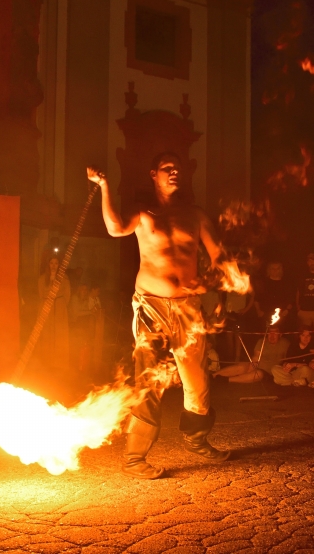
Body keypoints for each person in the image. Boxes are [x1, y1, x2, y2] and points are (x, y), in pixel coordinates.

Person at [87, 154, 230, 480]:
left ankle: (197, 439)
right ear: (154, 174)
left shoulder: (196, 215)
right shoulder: (143, 213)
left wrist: (214, 290)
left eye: (178, 168)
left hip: (189, 309)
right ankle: (135, 458)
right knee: (149, 378)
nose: (175, 171)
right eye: (168, 168)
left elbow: (219, 257)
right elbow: (115, 228)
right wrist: (104, 186)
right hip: (151, 307)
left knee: (198, 382)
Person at [213, 326, 289, 383]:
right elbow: (255, 358)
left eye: (275, 333)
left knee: (258, 374)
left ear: (280, 334)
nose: (272, 335)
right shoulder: (261, 341)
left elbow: (288, 359)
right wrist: (249, 369)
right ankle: (213, 375)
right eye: (270, 333)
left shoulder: (285, 344)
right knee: (242, 366)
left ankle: (226, 380)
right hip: (257, 366)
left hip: (269, 373)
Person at [38, 255, 70, 368]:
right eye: (51, 263)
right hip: (47, 307)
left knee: (60, 333)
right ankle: (47, 360)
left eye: (56, 263)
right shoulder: (42, 278)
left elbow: (67, 294)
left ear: (59, 265)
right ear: (48, 264)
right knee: (47, 333)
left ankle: (60, 361)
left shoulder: (64, 278)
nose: (53, 266)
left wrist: (60, 304)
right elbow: (41, 294)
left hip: (60, 308)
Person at [254, 261, 295, 330]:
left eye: (277, 269)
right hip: (265, 314)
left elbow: (291, 299)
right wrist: (258, 310)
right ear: (269, 270)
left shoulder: (286, 284)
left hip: (281, 315)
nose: (275, 271)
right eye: (273, 269)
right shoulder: (264, 283)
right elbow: (257, 298)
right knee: (266, 332)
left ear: (281, 270)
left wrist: (287, 310)